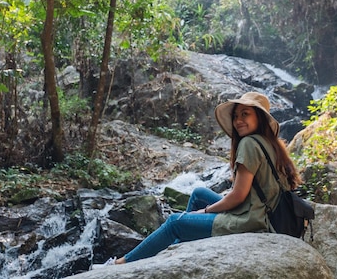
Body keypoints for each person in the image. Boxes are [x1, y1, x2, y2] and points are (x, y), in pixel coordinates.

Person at [103, 91, 301, 266]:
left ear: (259, 118)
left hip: (254, 221)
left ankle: (121, 264)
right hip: (263, 213)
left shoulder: (249, 143)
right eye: (236, 115)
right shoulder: (271, 144)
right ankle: (182, 246)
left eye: (245, 114)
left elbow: (238, 196)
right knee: (198, 193)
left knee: (174, 222)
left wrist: (205, 211)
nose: (238, 120)